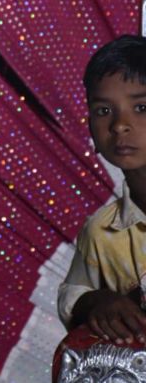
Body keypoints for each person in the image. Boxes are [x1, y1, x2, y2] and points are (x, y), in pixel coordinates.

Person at [58, 34, 146, 345]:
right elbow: (74, 294)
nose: (120, 125)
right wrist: (95, 302)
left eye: (141, 107)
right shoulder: (102, 232)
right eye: (104, 111)